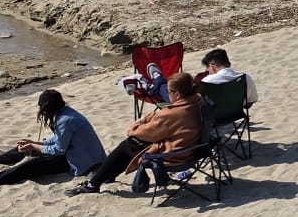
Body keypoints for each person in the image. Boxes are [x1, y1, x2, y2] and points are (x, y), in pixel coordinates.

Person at [66, 73, 202, 194]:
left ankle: (93, 184)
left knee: (128, 145)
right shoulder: (197, 100)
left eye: (168, 91)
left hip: (176, 155)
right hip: (194, 148)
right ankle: (106, 176)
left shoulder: (174, 113)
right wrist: (148, 119)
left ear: (177, 94)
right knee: (133, 145)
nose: (167, 94)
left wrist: (135, 126)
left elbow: (144, 132)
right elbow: (159, 118)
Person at [0, 88, 105, 193]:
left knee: (30, 165)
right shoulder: (65, 114)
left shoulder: (66, 120)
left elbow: (59, 149)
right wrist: (36, 143)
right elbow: (59, 139)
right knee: (24, 147)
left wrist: (34, 145)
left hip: (81, 161)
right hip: (73, 153)